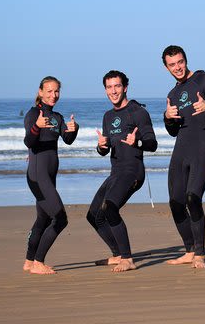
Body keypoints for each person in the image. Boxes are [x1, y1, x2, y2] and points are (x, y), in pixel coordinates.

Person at [162, 45, 205, 269]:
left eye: (180, 62)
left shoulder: (204, 79)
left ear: (185, 60)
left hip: (203, 147)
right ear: (166, 67)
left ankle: (200, 254)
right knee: (175, 201)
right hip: (181, 149)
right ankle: (189, 250)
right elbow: (172, 131)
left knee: (192, 197)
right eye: (172, 64)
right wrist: (168, 117)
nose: (177, 67)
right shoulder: (172, 94)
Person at [88, 70, 158, 272]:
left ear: (125, 87)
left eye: (117, 86)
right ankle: (118, 254)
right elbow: (105, 150)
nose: (113, 91)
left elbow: (152, 144)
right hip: (116, 173)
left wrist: (137, 142)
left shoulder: (138, 112)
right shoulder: (108, 116)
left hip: (133, 171)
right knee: (93, 215)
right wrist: (101, 146)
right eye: (109, 87)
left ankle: (128, 258)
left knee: (110, 207)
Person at [23, 76, 79, 275]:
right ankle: (39, 261)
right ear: (40, 92)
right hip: (38, 177)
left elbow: (68, 139)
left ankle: (29, 261)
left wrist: (74, 129)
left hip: (49, 175)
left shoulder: (57, 117)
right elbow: (29, 141)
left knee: (43, 219)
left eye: (56, 91)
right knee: (60, 218)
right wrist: (37, 126)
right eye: (49, 91)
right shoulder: (33, 114)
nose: (53, 95)